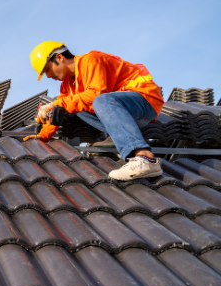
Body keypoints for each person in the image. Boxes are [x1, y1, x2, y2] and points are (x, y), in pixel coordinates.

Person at [26, 41, 165, 181]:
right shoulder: (67, 85)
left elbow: (96, 94)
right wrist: (42, 136)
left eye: (47, 69)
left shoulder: (92, 60)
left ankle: (146, 158)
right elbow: (60, 108)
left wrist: (55, 104)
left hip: (144, 100)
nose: (48, 76)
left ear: (59, 58)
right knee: (72, 104)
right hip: (122, 111)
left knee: (97, 100)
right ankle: (115, 135)